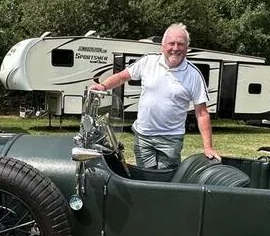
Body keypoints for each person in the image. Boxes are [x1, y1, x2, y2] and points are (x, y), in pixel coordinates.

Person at [90, 23, 220, 170]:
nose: (175, 48)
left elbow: (202, 113)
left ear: (187, 48)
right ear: (162, 46)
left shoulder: (193, 74)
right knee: (145, 179)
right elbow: (121, 76)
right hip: (143, 136)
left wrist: (208, 147)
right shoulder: (148, 61)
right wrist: (103, 86)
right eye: (171, 43)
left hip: (170, 140)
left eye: (180, 44)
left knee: (165, 181)